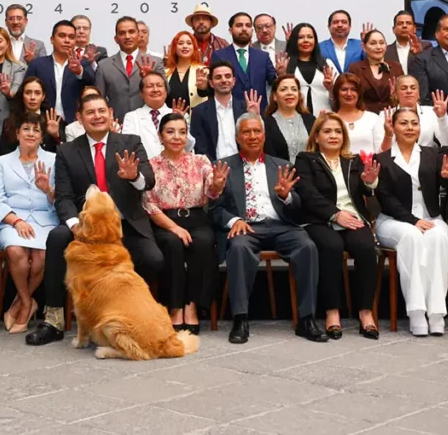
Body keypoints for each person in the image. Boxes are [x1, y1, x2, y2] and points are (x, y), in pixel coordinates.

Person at [25, 94, 158, 346]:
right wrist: (76, 225)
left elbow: (148, 180)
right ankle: (53, 320)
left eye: (101, 111)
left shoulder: (130, 142)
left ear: (110, 113)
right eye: (90, 112)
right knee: (56, 238)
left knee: (154, 258)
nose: (97, 116)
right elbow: (63, 197)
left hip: (123, 225)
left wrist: (134, 177)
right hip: (85, 228)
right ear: (79, 118)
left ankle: (131, 316)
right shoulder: (66, 151)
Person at [210, 113, 326, 343]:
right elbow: (213, 209)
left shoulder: (282, 165)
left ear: (264, 135)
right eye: (246, 132)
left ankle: (306, 319)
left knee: (307, 246)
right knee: (239, 248)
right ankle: (240, 319)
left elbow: (298, 209)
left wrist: (286, 197)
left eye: (257, 131)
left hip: (281, 225)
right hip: (247, 227)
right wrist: (234, 220)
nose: (252, 136)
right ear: (237, 137)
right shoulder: (222, 167)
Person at [294, 113, 381, 340]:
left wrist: (370, 182)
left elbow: (367, 195)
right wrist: (335, 214)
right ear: (317, 136)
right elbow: (307, 193)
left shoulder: (353, 161)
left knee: (365, 247)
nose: (333, 135)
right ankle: (332, 312)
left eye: (338, 131)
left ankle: (365, 312)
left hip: (352, 218)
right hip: (319, 219)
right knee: (331, 246)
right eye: (327, 131)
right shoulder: (306, 159)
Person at [374, 108, 448, 337]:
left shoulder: (433, 154)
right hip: (393, 221)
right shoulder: (381, 158)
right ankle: (417, 312)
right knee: (411, 237)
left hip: (431, 218)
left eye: (414, 123)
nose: (410, 128)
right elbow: (385, 198)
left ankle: (437, 313)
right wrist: (412, 220)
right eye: (404, 123)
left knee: (439, 237)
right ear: (393, 127)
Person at [142, 114, 227, 334]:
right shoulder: (151, 165)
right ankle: (174, 308)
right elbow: (149, 205)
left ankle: (192, 307)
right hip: (165, 221)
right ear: (160, 136)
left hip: (197, 218)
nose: (176, 137)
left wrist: (217, 184)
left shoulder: (200, 161)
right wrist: (174, 227)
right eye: (170, 131)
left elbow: (212, 191)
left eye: (181, 131)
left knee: (204, 243)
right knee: (172, 245)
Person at [0, 112, 58, 334]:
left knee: (42, 256)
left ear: (42, 136)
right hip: (12, 219)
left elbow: (62, 198)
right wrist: (16, 221)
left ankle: (21, 302)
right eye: (26, 129)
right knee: (16, 251)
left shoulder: (54, 160)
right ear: (17, 133)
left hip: (45, 218)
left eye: (36, 130)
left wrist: (47, 189)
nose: (31, 134)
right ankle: (28, 303)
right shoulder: (0, 162)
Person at [25, 20, 96, 129]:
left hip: (75, 125)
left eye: (71, 37)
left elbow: (93, 84)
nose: (67, 40)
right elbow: (26, 93)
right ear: (52, 39)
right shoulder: (37, 64)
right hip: (42, 124)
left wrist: (79, 71)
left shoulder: (82, 64)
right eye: (62, 36)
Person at [95, 16, 164, 122]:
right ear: (116, 39)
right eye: (122, 33)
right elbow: (99, 100)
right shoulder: (104, 66)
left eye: (131, 32)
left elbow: (167, 91)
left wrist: (151, 77)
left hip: (149, 124)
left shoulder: (155, 62)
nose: (127, 36)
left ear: (138, 35)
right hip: (116, 126)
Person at [121, 73, 194, 159]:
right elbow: (129, 147)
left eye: (159, 85)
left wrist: (180, 121)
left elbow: (189, 147)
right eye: (150, 86)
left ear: (166, 92)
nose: (155, 89)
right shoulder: (132, 117)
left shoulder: (179, 114)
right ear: (141, 93)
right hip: (143, 169)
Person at [212, 12, 275, 111]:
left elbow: (274, 83)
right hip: (228, 113)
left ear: (252, 30)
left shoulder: (263, 56)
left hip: (259, 114)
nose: (244, 28)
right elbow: (212, 87)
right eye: (239, 25)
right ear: (230, 30)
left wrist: (281, 73)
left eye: (248, 25)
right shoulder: (219, 55)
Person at [377, 75, 448, 152]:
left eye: (413, 88)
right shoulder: (385, 115)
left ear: (418, 93)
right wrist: (388, 135)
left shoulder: (431, 112)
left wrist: (442, 118)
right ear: (395, 94)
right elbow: (380, 152)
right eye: (404, 88)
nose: (409, 91)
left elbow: (447, 142)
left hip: (427, 159)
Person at [191, 61, 247, 163]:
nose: (224, 80)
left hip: (244, 167)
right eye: (218, 77)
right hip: (213, 168)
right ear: (211, 83)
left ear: (234, 81)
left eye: (227, 76)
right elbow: (200, 148)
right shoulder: (199, 112)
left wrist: (255, 115)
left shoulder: (246, 108)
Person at [279, 23, 335, 116]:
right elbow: (276, 94)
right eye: (300, 37)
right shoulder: (285, 63)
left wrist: (331, 89)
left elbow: (339, 96)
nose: (306, 41)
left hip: (324, 119)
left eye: (310, 37)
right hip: (293, 119)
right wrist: (281, 75)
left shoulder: (327, 63)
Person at [0, 76, 61, 155]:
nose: (32, 97)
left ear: (43, 96)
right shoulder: (9, 122)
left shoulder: (55, 121)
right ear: (22, 95)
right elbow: (4, 153)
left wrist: (56, 136)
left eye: (37, 93)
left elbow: (64, 154)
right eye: (28, 93)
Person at [263, 74, 315, 164]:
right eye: (284, 89)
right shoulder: (266, 123)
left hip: (310, 175)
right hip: (279, 174)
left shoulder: (311, 120)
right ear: (275, 96)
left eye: (294, 89)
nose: (289, 93)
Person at [347, 29, 401, 113]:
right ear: (364, 47)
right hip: (365, 116)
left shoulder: (396, 67)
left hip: (392, 115)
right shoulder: (355, 68)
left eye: (382, 43)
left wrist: (395, 96)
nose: (378, 47)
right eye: (373, 43)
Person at [330, 74, 382, 156]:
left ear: (359, 93)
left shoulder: (373, 118)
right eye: (344, 89)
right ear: (337, 93)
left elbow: (381, 150)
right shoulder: (330, 120)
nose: (349, 94)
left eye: (353, 90)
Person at [164, 31, 210, 109]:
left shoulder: (204, 71)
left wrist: (204, 88)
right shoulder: (165, 73)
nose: (185, 46)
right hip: (170, 119)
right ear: (174, 48)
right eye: (180, 43)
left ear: (194, 48)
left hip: (196, 119)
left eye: (189, 43)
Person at [319, 10, 366, 75]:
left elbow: (372, 63)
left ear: (350, 27)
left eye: (344, 22)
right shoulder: (319, 47)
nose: (340, 25)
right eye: (335, 22)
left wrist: (369, 42)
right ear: (329, 27)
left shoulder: (360, 45)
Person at [184, 2, 229, 66]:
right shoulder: (184, 45)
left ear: (211, 23)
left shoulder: (222, 44)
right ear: (192, 23)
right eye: (197, 19)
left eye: (205, 19)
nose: (201, 22)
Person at [385, 10, 425, 75]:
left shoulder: (425, 47)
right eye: (400, 23)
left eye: (408, 23)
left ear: (414, 28)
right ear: (393, 29)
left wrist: (419, 54)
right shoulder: (385, 51)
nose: (404, 26)